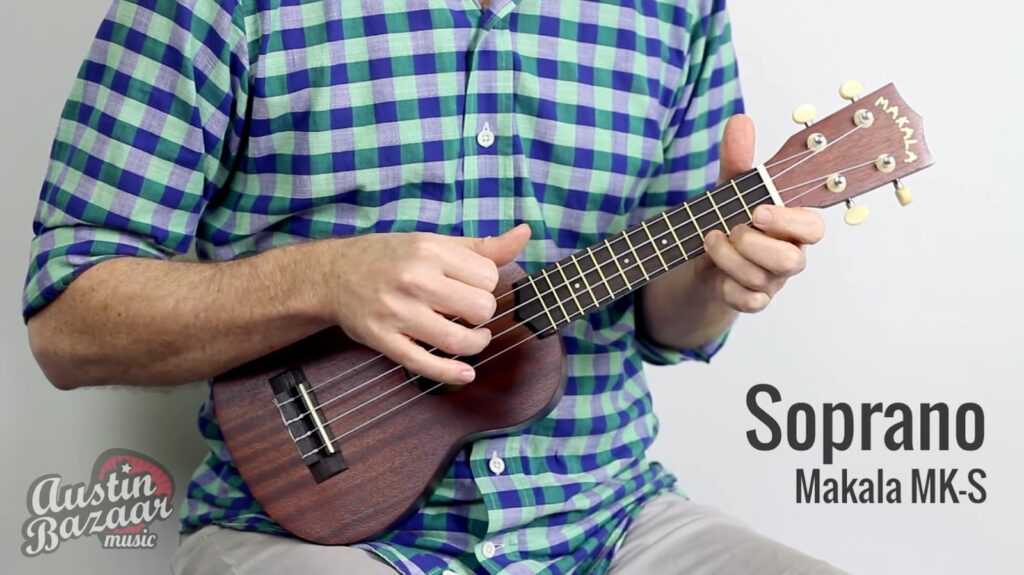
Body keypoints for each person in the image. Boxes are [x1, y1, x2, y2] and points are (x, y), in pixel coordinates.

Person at [23, 0, 840, 573]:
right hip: (308, 537)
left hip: (606, 519)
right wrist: (326, 278)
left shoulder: (676, 10)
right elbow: (69, 321)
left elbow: (672, 326)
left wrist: (717, 275)